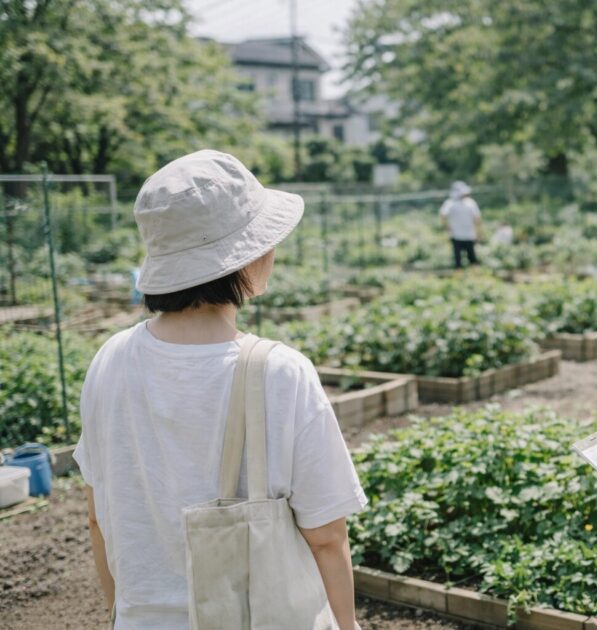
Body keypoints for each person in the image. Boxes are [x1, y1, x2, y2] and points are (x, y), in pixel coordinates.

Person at [74, 150, 367, 629]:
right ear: (246, 257)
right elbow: (327, 535)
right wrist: (349, 625)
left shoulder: (110, 359)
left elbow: (97, 517)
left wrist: (121, 612)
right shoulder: (279, 371)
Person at [439, 181, 481, 268]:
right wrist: (447, 227)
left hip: (467, 234)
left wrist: (447, 227)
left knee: (469, 258)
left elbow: (477, 219)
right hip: (458, 235)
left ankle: (472, 276)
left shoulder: (469, 203)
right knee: (460, 259)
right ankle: (465, 275)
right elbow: (477, 219)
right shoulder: (451, 203)